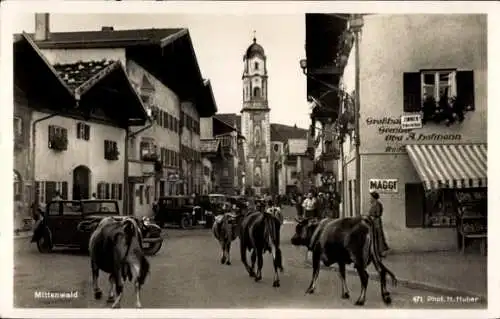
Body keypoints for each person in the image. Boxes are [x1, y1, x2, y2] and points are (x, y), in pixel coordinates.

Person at [368, 191, 390, 257]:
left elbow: (378, 213)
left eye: (371, 197)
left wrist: (373, 216)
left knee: (379, 236)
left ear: (374, 198)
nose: (370, 198)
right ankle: (376, 251)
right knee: (374, 236)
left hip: (376, 221)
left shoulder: (378, 204)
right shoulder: (373, 204)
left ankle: (380, 251)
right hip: (373, 221)